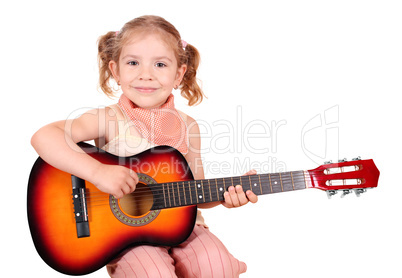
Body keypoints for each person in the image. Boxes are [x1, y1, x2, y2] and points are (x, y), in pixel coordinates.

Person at [31, 15, 258, 278]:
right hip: (128, 237)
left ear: (179, 74)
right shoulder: (109, 118)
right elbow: (44, 136)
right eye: (133, 63)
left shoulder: (188, 126)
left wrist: (225, 196)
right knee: (153, 273)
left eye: (160, 64)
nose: (146, 75)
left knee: (218, 265)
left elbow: (195, 189)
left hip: (184, 228)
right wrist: (96, 173)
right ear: (115, 71)